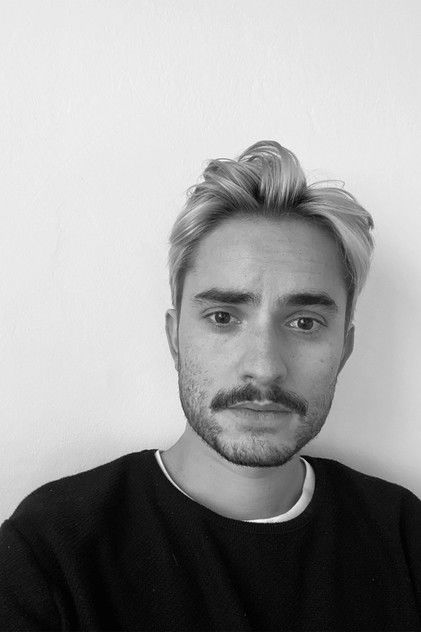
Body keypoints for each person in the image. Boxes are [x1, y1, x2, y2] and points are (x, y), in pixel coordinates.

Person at [1, 141, 420, 632]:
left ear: (344, 349)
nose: (264, 368)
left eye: (305, 323)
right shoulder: (53, 553)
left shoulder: (404, 537)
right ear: (175, 338)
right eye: (223, 317)